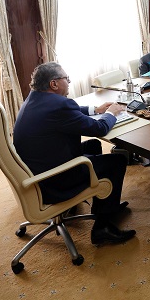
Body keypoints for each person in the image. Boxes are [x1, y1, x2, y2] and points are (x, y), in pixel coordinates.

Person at [13, 62, 136, 245]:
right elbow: (100, 128)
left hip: (36, 170)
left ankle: (104, 204)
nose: (69, 82)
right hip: (53, 181)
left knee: (93, 145)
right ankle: (102, 228)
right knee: (116, 161)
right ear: (54, 84)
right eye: (67, 79)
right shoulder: (59, 105)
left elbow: (69, 111)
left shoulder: (35, 98)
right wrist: (110, 114)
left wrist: (96, 110)